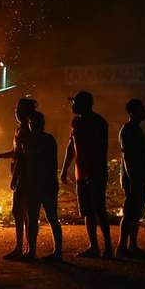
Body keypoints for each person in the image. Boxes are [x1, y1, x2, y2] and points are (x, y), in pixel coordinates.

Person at [60, 91, 113, 259]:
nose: (72, 106)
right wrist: (64, 169)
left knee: (99, 210)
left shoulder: (98, 123)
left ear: (84, 104)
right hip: (81, 174)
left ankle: (108, 247)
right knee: (88, 212)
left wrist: (92, 170)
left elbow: (100, 149)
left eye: (75, 102)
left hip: (95, 173)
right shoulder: (76, 122)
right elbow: (71, 147)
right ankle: (94, 247)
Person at [0, 97, 37, 260]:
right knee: (23, 213)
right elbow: (16, 152)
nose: (16, 113)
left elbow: (22, 157)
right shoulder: (20, 129)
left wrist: (14, 178)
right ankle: (26, 249)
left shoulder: (27, 131)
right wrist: (0, 155)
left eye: (19, 110)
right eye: (15, 110)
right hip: (23, 176)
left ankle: (23, 249)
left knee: (20, 212)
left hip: (24, 177)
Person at [23, 111, 63, 262]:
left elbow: (50, 163)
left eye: (35, 123)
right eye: (31, 123)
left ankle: (58, 252)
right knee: (32, 218)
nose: (33, 126)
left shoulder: (47, 140)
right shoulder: (28, 140)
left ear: (42, 124)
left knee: (52, 217)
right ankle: (32, 251)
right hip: (33, 185)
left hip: (46, 184)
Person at [117, 99, 145, 258]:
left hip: (137, 176)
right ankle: (123, 246)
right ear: (132, 112)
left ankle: (131, 246)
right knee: (130, 212)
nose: (143, 112)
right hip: (133, 177)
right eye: (140, 109)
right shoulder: (128, 130)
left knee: (135, 212)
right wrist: (133, 179)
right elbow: (128, 156)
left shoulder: (134, 129)